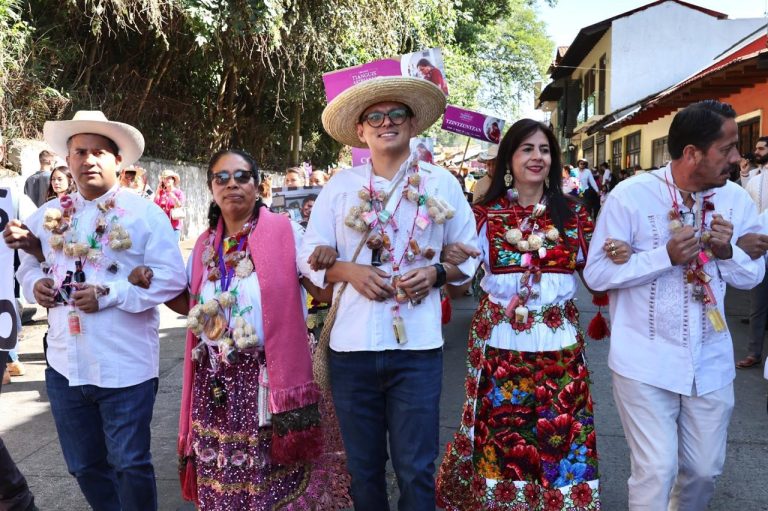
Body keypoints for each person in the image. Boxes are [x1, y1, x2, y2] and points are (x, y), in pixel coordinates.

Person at [300, 75, 479, 510]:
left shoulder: (442, 184)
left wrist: (437, 273)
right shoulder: (341, 187)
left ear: (412, 123)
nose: (386, 122)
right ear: (360, 131)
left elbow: (468, 258)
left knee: (416, 468)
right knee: (363, 470)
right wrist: (350, 271)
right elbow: (307, 257)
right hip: (352, 349)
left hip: (417, 349)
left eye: (396, 113)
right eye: (374, 116)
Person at [583, 100, 765, 510]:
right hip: (645, 361)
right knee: (656, 470)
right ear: (691, 154)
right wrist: (662, 256)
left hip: (711, 361)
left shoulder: (735, 199)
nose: (737, 157)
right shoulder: (631, 197)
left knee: (703, 470)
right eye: (728, 148)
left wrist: (726, 253)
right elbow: (595, 275)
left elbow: (752, 276)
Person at [153, 148, 350, 509]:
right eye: (221, 178)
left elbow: (321, 289)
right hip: (216, 381)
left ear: (258, 186)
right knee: (222, 476)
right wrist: (148, 280)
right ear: (211, 188)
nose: (232, 185)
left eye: (242, 176)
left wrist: (333, 257)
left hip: (268, 379)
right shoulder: (202, 246)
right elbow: (189, 303)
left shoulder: (286, 232)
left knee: (271, 478)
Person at [14, 110, 187, 511]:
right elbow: (26, 265)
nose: (88, 160)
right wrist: (34, 285)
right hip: (64, 365)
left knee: (130, 464)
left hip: (125, 366)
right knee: (84, 466)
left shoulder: (146, 215)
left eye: (98, 152)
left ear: (118, 161)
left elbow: (171, 280)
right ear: (68, 161)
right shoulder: (49, 215)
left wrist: (109, 293)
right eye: (79, 152)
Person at [436, 119, 609, 510]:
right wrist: (449, 259)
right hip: (502, 346)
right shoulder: (483, 215)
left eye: (544, 150)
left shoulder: (576, 215)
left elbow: (599, 276)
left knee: (562, 440)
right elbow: (460, 283)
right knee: (505, 444)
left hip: (560, 348)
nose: (537, 157)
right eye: (527, 149)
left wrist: (620, 255)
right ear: (509, 159)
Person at [153, 169, 185, 239]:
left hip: (174, 227)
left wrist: (174, 198)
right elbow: (155, 205)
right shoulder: (161, 193)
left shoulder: (178, 193)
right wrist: (158, 190)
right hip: (162, 226)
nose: (166, 180)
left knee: (173, 248)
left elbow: (180, 206)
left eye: (168, 178)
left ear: (173, 180)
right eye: (164, 178)